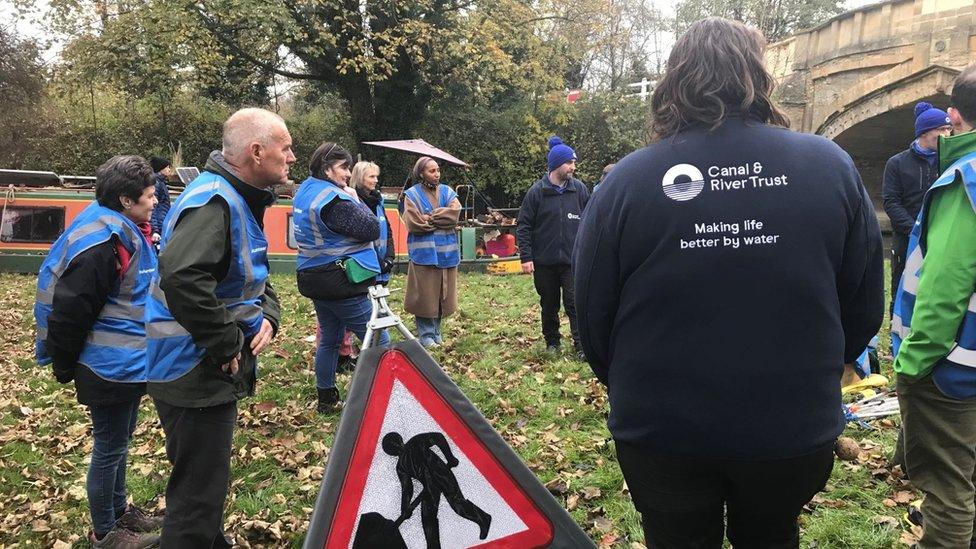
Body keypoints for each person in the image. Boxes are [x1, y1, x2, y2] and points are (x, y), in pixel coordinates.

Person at [574, 18, 883, 548]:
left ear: (675, 78)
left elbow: (590, 313)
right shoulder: (829, 166)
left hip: (661, 427)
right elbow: (862, 302)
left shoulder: (626, 180)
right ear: (758, 76)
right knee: (771, 535)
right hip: (791, 425)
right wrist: (820, 370)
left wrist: (626, 381)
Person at [145, 108, 287, 547]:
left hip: (200, 363)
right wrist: (228, 345)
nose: (292, 157)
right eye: (285, 147)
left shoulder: (234, 197)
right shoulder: (216, 202)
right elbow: (183, 277)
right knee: (196, 497)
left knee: (204, 485)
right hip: (192, 366)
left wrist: (269, 317)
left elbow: (245, 277)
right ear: (256, 151)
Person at [34, 155, 163, 548]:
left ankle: (121, 511)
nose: (155, 201)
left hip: (126, 360)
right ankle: (105, 532)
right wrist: (63, 363)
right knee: (109, 447)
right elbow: (72, 312)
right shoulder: (102, 245)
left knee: (120, 438)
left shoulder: (118, 226)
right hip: (106, 366)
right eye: (149, 195)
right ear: (125, 200)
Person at [892, 64, 976, 549]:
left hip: (952, 368)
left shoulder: (963, 180)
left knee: (948, 488)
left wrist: (914, 362)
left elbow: (944, 287)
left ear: (953, 114)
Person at [293, 143, 390, 414]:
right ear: (326, 168)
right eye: (343, 167)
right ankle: (384, 397)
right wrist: (356, 199)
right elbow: (371, 228)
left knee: (330, 339)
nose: (348, 174)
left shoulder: (305, 191)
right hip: (343, 281)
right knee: (378, 339)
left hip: (315, 277)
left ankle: (326, 397)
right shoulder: (334, 200)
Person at [517, 136, 589, 359]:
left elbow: (590, 222)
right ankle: (552, 343)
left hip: (572, 261)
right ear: (557, 164)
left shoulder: (579, 190)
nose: (573, 168)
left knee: (574, 304)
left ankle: (581, 346)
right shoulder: (537, 192)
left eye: (574, 163)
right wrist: (526, 257)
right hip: (544, 262)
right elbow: (524, 225)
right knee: (549, 305)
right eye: (570, 163)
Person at [882, 102, 952, 309]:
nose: (947, 134)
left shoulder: (950, 161)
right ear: (924, 132)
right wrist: (915, 230)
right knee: (902, 281)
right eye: (940, 129)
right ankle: (898, 322)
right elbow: (891, 202)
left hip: (941, 235)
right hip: (906, 238)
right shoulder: (897, 163)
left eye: (949, 129)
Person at [381, 431, 492, 548]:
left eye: (396, 443)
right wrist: (405, 508)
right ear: (391, 452)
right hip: (428, 487)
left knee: (458, 504)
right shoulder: (401, 467)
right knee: (428, 518)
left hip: (441, 474)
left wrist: (450, 457)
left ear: (400, 440)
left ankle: (483, 518)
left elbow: (438, 437)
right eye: (392, 447)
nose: (397, 447)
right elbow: (407, 488)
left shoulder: (416, 442)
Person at [402, 157, 461, 348]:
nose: (437, 174)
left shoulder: (448, 191)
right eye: (432, 171)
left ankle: (436, 332)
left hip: (446, 253)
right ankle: (426, 334)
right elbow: (414, 223)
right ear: (421, 173)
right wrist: (440, 217)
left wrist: (431, 216)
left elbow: (454, 215)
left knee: (442, 295)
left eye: (438, 170)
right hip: (424, 255)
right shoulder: (411, 195)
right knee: (425, 296)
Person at [351, 160, 395, 284]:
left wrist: (390, 257)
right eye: (371, 176)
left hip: (383, 269)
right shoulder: (353, 203)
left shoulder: (378, 202)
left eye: (376, 176)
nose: (376, 180)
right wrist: (377, 262)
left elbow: (388, 231)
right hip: (364, 269)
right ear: (359, 178)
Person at [149, 156, 173, 245]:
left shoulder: (162, 182)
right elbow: (153, 207)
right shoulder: (156, 183)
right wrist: (154, 230)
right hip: (159, 225)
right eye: (167, 167)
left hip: (163, 222)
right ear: (161, 169)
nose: (169, 169)